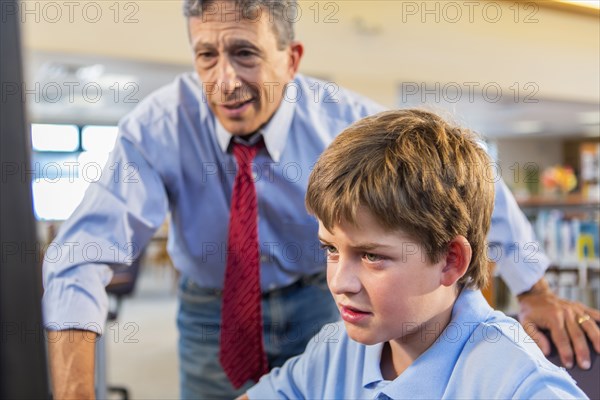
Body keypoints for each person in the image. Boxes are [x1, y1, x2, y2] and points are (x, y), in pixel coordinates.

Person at [42, 0, 600, 399]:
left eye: (245, 53)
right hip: (212, 306)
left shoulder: (345, 119)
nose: (225, 81)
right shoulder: (160, 127)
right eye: (205, 56)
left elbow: (465, 188)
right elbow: (81, 255)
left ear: (291, 58)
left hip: (319, 298)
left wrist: (537, 290)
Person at [243, 109, 587, 399]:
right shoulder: (338, 347)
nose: (338, 283)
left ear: (451, 260)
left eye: (371, 257)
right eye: (331, 249)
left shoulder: (521, 387)